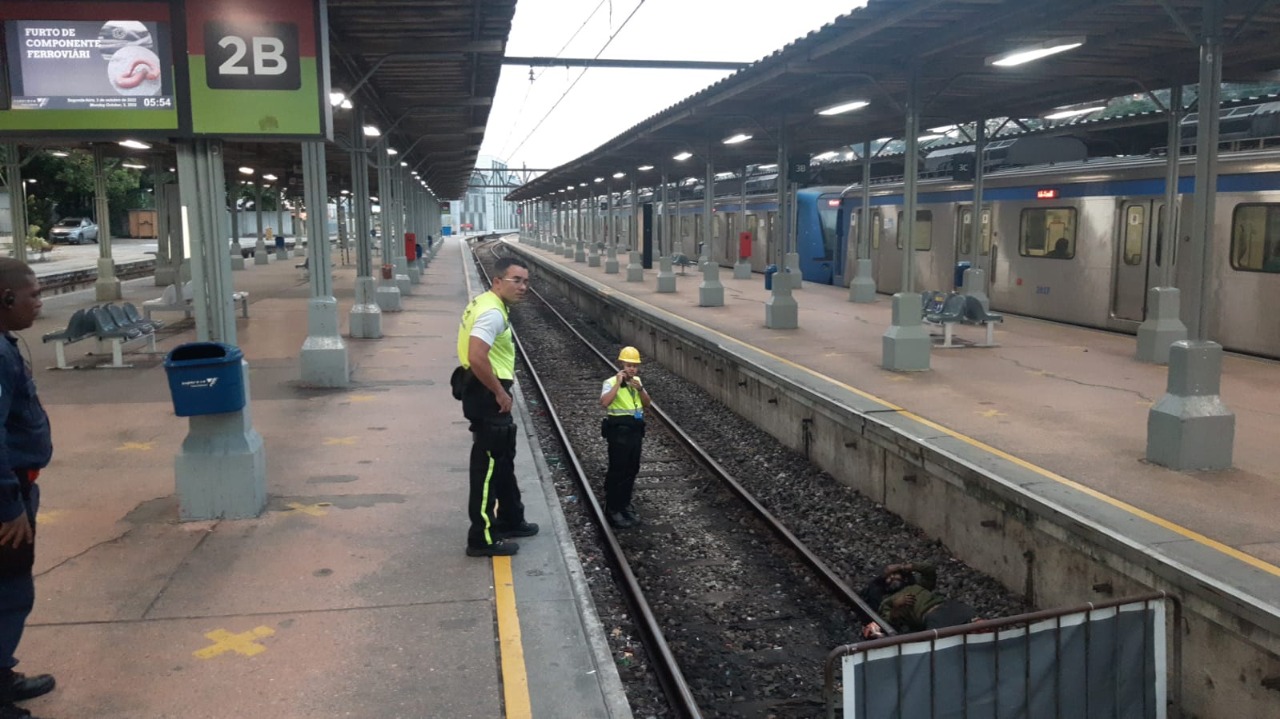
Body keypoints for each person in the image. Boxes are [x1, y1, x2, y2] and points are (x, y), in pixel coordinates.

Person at [0, 259, 55, 718]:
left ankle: (3, 674)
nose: (39, 302)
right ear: (6, 298)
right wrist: (9, 504)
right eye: (33, 294)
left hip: (15, 486)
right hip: (8, 494)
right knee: (10, 591)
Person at [456, 257, 538, 557]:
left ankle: (511, 518)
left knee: (502, 459)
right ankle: (482, 537)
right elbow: (477, 356)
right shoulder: (492, 313)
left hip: (483, 389)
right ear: (498, 281)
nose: (523, 287)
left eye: (526, 281)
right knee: (487, 467)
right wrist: (499, 393)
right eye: (517, 280)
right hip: (487, 392)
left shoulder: (485, 302)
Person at [599, 347, 651, 529]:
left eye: (635, 366)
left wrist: (640, 389)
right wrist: (618, 384)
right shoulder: (610, 382)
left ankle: (625, 504)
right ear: (622, 364)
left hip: (635, 432)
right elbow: (604, 402)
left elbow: (647, 403)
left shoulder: (637, 382)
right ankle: (613, 508)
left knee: (632, 469)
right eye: (629, 365)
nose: (632, 369)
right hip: (618, 433)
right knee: (618, 470)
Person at [859, 561, 974, 638]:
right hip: (932, 617)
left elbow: (930, 570)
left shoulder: (917, 586)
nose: (892, 577)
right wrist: (896, 607)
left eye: (895, 574)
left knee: (977, 623)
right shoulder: (887, 601)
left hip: (948, 607)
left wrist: (902, 566)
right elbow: (888, 621)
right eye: (888, 578)